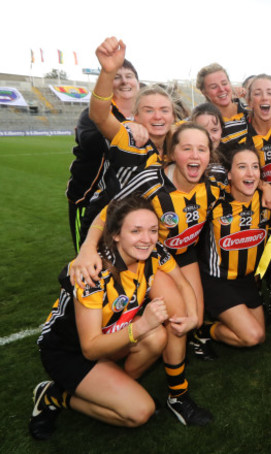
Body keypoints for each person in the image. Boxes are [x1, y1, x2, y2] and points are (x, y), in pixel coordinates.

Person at [71, 123, 218, 425]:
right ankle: (178, 394)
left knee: (195, 320)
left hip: (177, 254)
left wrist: (269, 186)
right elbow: (109, 212)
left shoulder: (216, 180)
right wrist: (87, 248)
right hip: (147, 252)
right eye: (186, 147)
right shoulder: (151, 179)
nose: (194, 155)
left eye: (201, 149)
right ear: (170, 154)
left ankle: (118, 380)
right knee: (175, 312)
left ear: (210, 155)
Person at [29, 195, 194, 440]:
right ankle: (54, 395)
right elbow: (90, 349)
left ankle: (113, 390)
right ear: (115, 234)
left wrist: (193, 318)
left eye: (151, 230)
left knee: (156, 337)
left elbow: (181, 282)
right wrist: (143, 325)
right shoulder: (94, 272)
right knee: (140, 412)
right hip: (69, 351)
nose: (146, 239)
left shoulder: (153, 252)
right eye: (135, 231)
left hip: (111, 336)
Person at [81, 37, 173, 245]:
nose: (158, 116)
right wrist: (107, 71)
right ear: (136, 116)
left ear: (173, 117)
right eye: (149, 111)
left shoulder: (177, 145)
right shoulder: (129, 138)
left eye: (164, 110)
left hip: (143, 230)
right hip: (108, 226)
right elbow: (99, 115)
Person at [196, 146, 271, 349]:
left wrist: (267, 187)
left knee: (261, 335)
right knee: (252, 336)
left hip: (246, 280)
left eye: (255, 167)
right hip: (217, 280)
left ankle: (216, 323)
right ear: (229, 174)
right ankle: (204, 330)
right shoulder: (214, 202)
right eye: (242, 167)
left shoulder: (265, 200)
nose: (250, 173)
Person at [66, 58, 139, 253]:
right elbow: (91, 143)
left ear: (138, 83)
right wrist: (126, 130)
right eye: (117, 77)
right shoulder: (92, 115)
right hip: (90, 199)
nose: (124, 81)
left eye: (129, 76)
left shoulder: (145, 114)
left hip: (133, 199)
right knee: (93, 255)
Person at [196, 63, 248, 147]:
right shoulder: (199, 122)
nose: (221, 89)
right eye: (214, 87)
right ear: (204, 92)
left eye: (224, 83)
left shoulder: (251, 112)